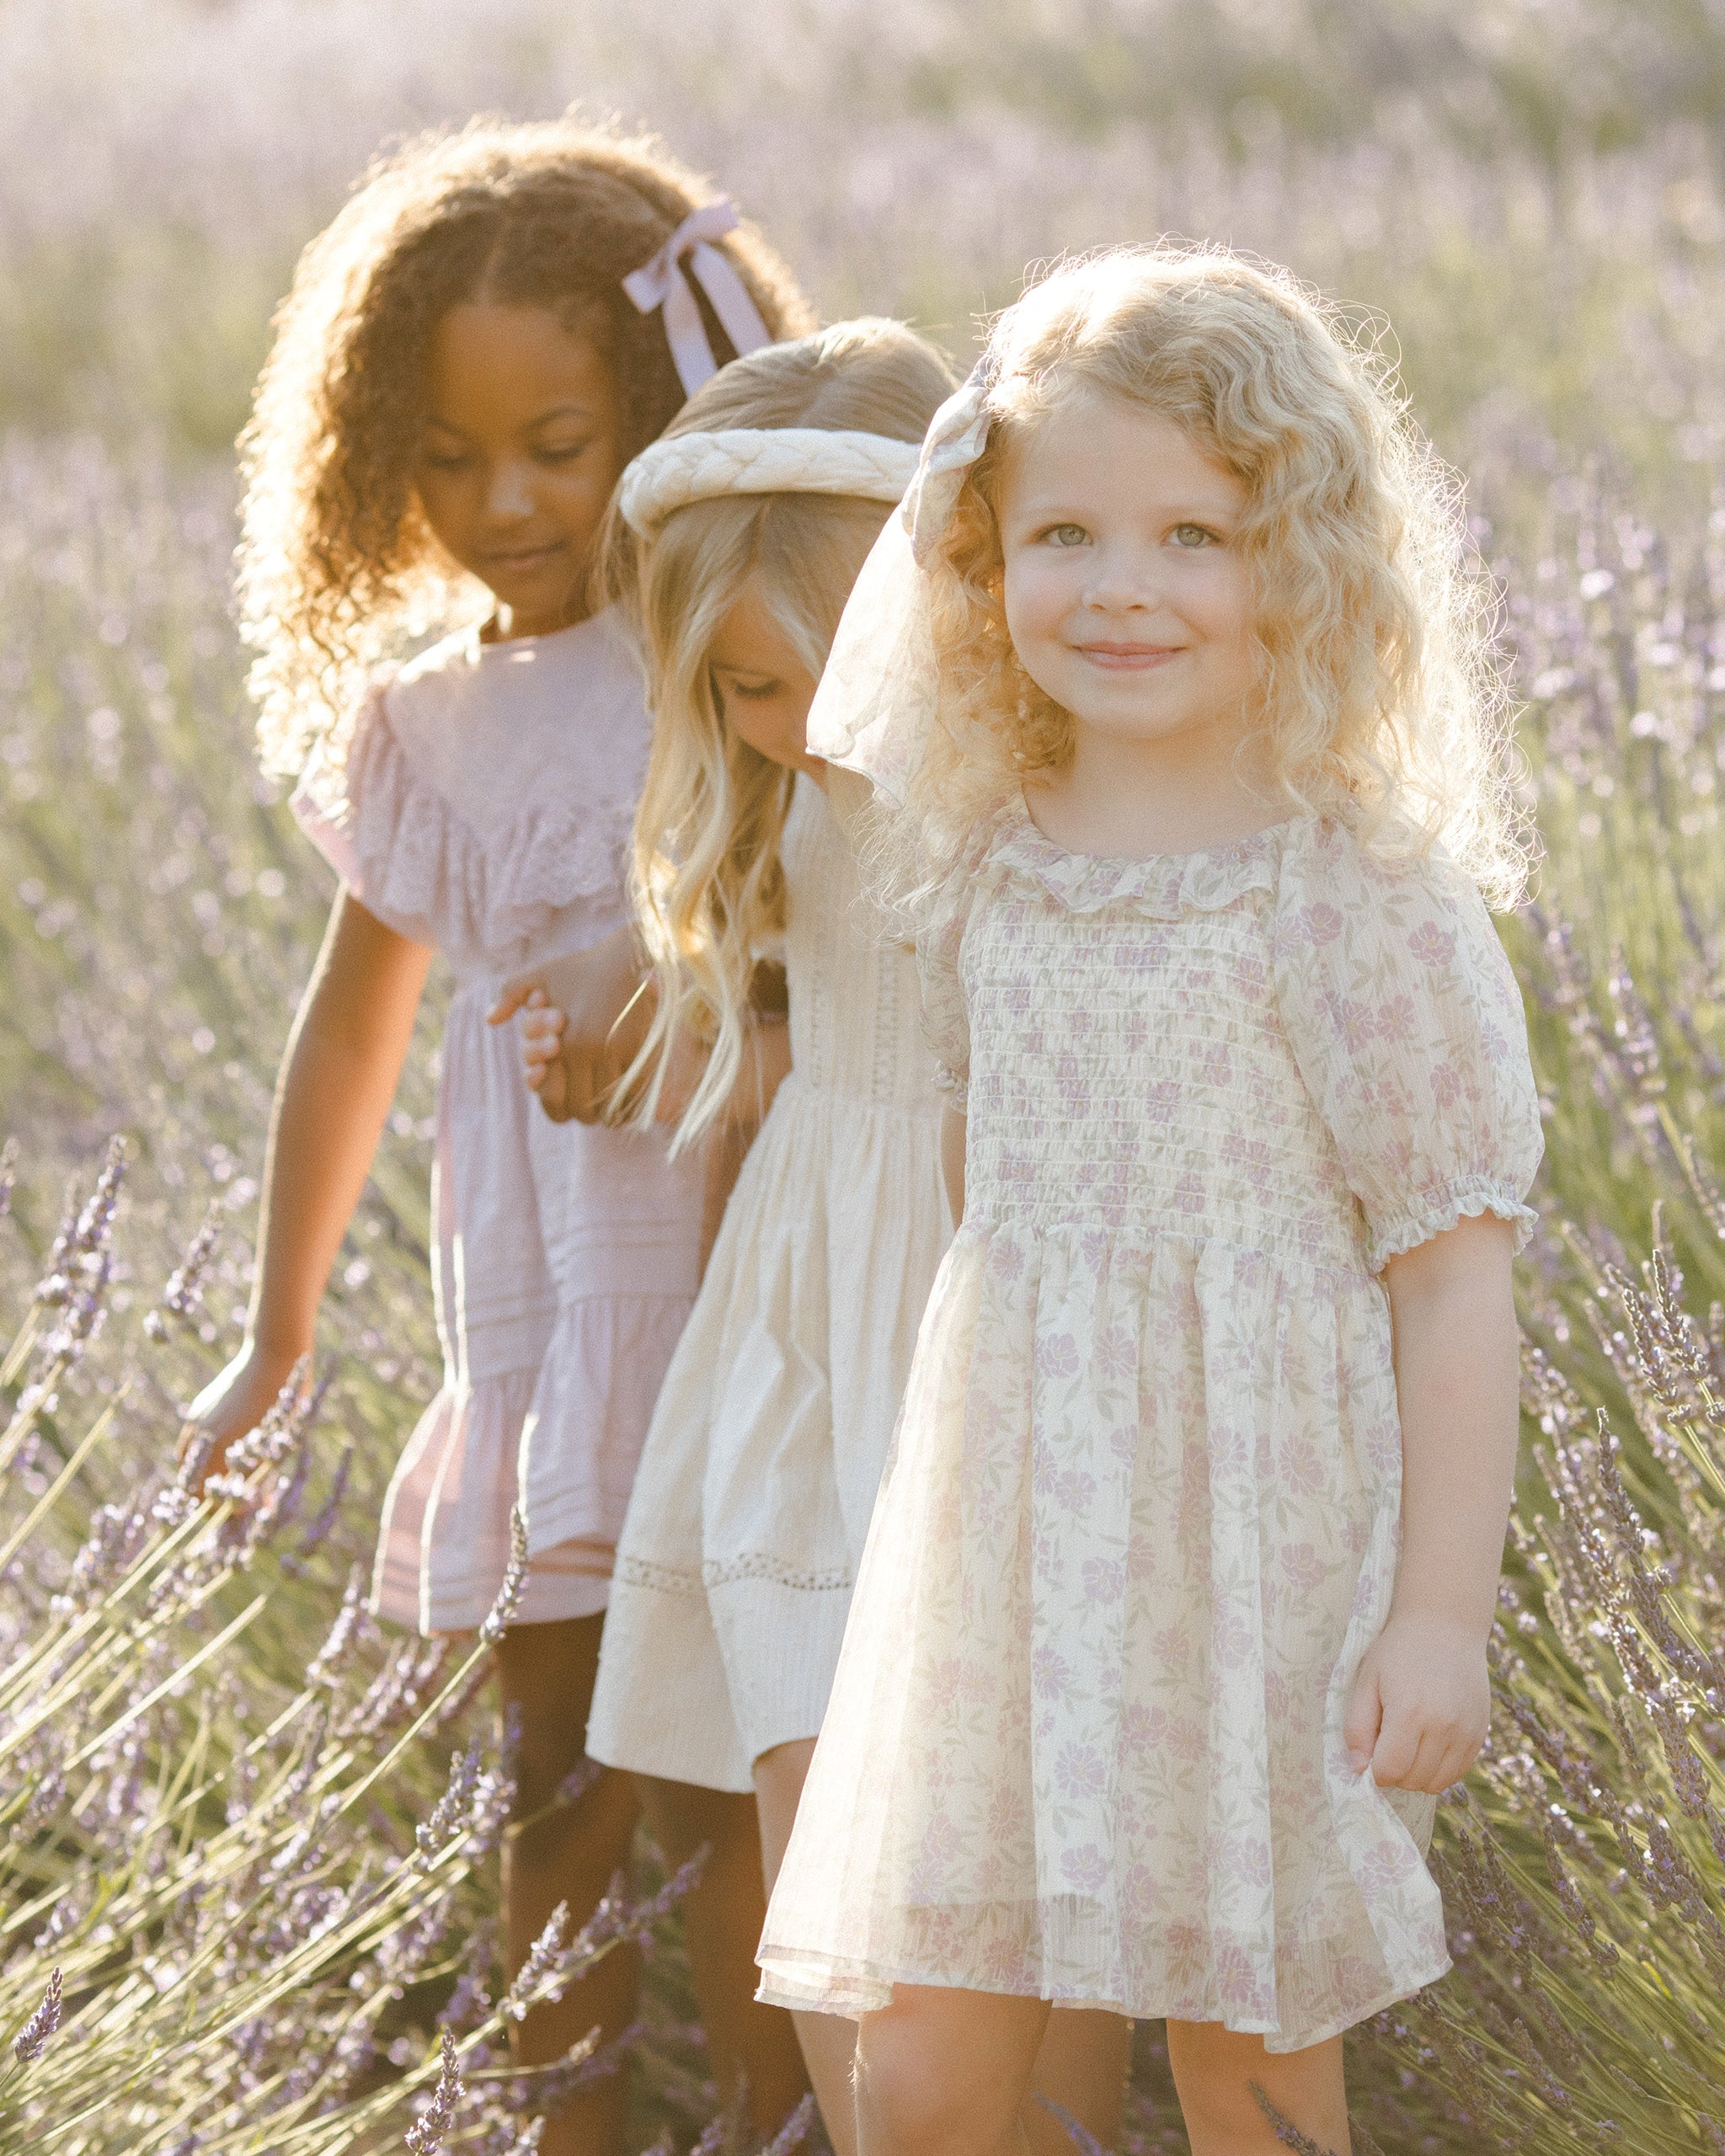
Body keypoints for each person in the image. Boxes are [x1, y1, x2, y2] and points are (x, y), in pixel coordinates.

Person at [756, 245, 1545, 2156]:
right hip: (1009, 1544)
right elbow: (991, 1227)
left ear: (1309, 561)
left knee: (1245, 2061)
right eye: (1065, 534)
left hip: (1264, 1552)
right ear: (979, 557)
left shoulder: (1346, 890)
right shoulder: (990, 869)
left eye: (1197, 534)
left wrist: (1438, 1613)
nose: (1121, 588)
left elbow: (1450, 1273)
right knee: (931, 2066)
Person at [187, 116, 813, 2155]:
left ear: (658, 402)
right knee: (549, 1787)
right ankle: (570, 2130)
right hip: (544, 1348)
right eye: (444, 462)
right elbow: (346, 1035)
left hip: (742, 1303)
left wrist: (696, 998)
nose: (502, 501)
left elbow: (865, 928)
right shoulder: (426, 730)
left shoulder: (726, 659)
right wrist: (275, 1340)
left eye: (555, 438)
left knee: (743, 1789)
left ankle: (764, 2119)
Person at [500, 318, 1131, 2155]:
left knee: (1026, 1896)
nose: (795, 735)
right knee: (830, 1907)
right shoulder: (794, 807)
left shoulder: (1046, 820)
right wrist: (643, 1028)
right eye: (747, 698)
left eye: (823, 682)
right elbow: (784, 1030)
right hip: (800, 1367)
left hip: (1000, 1371)